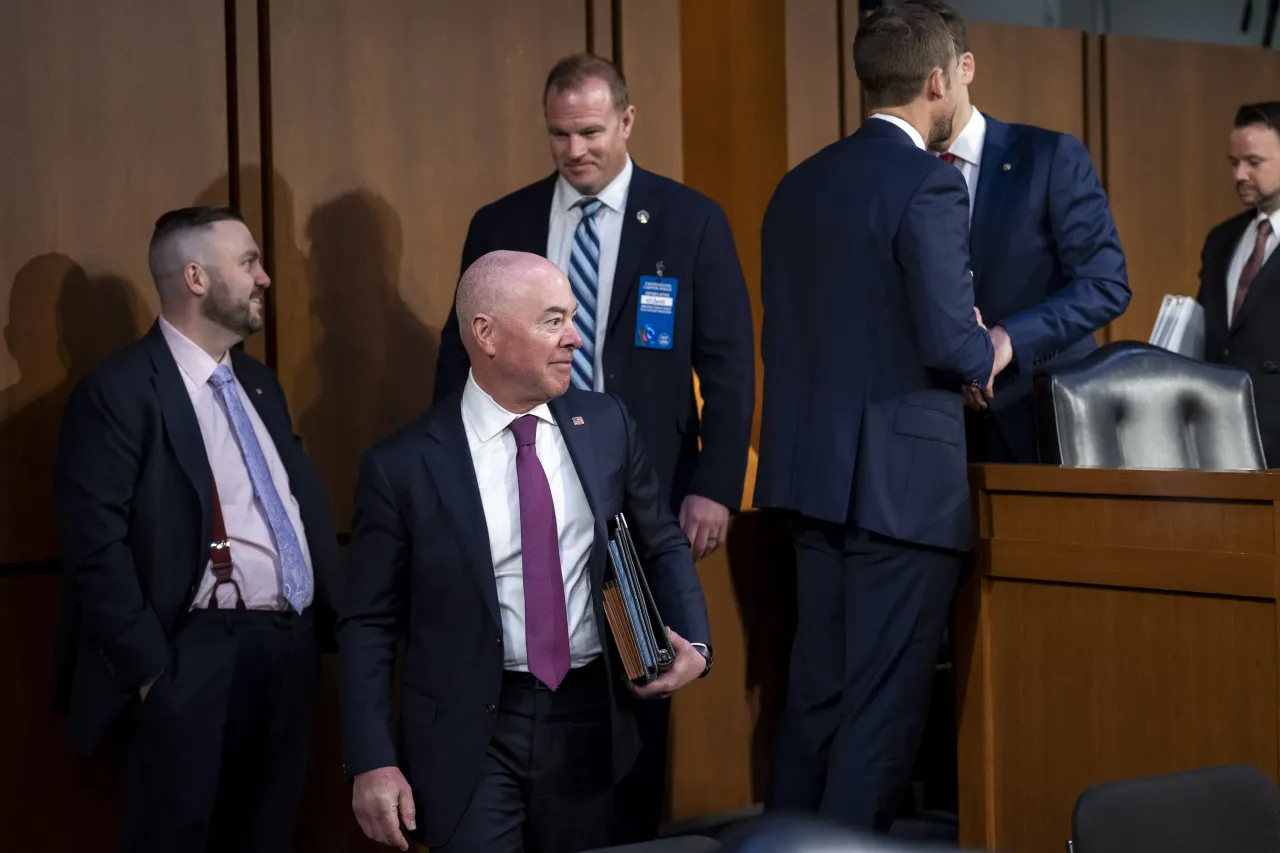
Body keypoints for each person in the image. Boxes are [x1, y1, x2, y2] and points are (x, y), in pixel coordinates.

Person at [432, 52, 753, 844]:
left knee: (637, 678)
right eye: (559, 134)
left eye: (589, 131)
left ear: (627, 122)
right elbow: (455, 362)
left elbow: (731, 364)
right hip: (520, 475)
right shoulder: (500, 224)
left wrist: (714, 485)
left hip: (634, 495)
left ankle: (630, 837)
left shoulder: (689, 221)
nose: (574, 149)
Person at [339, 250, 713, 853]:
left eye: (571, 317)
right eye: (552, 320)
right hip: (470, 735)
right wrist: (371, 760)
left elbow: (662, 540)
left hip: (593, 719)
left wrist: (694, 640)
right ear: (485, 334)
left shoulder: (607, 422)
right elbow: (368, 624)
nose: (575, 336)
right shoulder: (402, 466)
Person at [752, 3, 994, 833]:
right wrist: (983, 352)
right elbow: (948, 335)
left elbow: (782, 328)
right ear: (938, 80)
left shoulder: (797, 183)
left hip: (811, 481)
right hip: (901, 491)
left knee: (815, 694)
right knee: (882, 710)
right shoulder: (929, 180)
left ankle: (784, 844)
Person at [51, 206, 342, 853]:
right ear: (196, 277)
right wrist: (154, 672)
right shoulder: (119, 391)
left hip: (288, 653)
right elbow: (94, 548)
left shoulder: (261, 384)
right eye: (248, 263)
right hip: (193, 658)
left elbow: (296, 505)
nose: (266, 277)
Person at [915, 0, 1129, 463]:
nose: (921, 98)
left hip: (1040, 417)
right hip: (935, 429)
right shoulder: (899, 176)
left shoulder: (1049, 157)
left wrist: (1006, 339)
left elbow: (1105, 284)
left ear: (964, 68)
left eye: (929, 81)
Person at [1198, 101, 1280, 467]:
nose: (1239, 175)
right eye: (1234, 164)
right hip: (1220, 442)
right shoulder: (1222, 240)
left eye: (1253, 163)